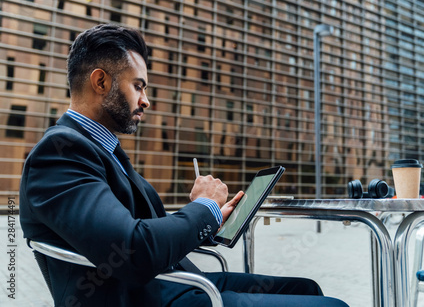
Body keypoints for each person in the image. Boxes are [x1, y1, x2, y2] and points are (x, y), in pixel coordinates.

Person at [19, 24, 349, 307]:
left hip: (172, 283)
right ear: (101, 82)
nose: (145, 100)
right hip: (152, 296)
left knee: (306, 288)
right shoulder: (59, 154)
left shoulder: (99, 149)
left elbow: (141, 231)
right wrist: (205, 207)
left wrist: (210, 218)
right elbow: (132, 249)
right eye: (138, 86)